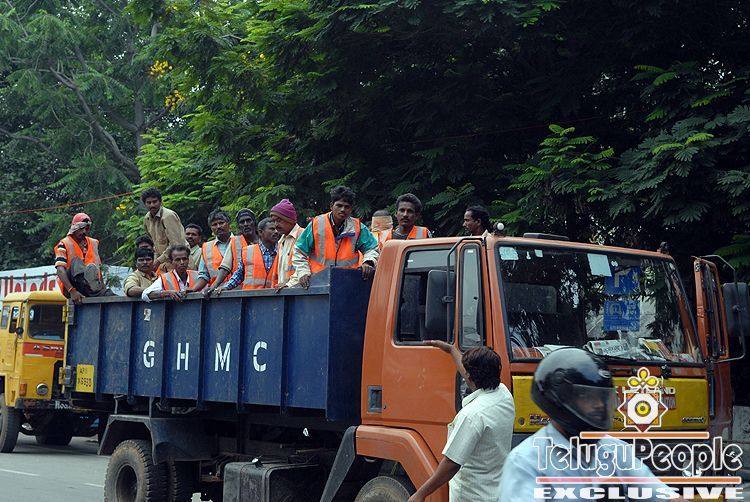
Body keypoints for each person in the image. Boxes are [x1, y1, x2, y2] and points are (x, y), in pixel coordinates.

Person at [497, 348, 686, 502]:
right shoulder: (526, 462)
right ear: (558, 400)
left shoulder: (617, 451)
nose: (599, 405)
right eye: (587, 397)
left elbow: (662, 495)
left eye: (602, 398)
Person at [408, 343, 515, 502]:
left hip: (472, 496)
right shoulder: (504, 395)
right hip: (497, 492)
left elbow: (452, 463)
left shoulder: (472, 415)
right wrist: (451, 350)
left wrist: (421, 494)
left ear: (469, 377)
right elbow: (469, 373)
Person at [287, 186, 379, 289]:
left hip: (347, 284)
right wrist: (303, 272)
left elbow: (372, 248)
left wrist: (368, 262)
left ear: (351, 209)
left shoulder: (358, 228)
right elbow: (299, 251)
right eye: (339, 205)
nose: (342, 210)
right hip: (317, 284)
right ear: (331, 206)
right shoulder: (316, 225)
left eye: (347, 207)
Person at [206, 217, 281, 295]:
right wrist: (226, 287)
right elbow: (239, 274)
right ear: (261, 232)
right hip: (251, 297)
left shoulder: (282, 251)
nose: (276, 232)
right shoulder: (248, 251)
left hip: (276, 297)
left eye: (277, 229)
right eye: (272, 229)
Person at [54, 212, 112, 303]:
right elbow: (60, 270)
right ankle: (87, 283)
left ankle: (92, 286)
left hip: (90, 286)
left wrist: (102, 290)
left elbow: (98, 270)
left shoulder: (93, 243)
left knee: (109, 294)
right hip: (72, 285)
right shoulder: (64, 243)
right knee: (76, 261)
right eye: (81, 228)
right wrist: (72, 291)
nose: (84, 231)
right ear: (74, 227)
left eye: (86, 228)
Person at [142, 187, 188, 273]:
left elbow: (176, 244)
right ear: (145, 204)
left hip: (179, 261)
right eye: (149, 202)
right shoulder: (146, 218)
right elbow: (155, 244)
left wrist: (158, 261)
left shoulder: (168, 216)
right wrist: (155, 261)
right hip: (163, 264)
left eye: (155, 202)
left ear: (160, 202)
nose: (152, 205)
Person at [192, 209, 235, 290]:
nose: (218, 227)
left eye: (221, 223)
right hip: (216, 293)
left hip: (241, 291)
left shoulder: (240, 242)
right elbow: (204, 275)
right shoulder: (207, 247)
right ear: (211, 228)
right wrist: (194, 289)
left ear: (228, 223)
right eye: (214, 225)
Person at [215, 208, 258, 282]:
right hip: (242, 287)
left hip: (268, 287)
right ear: (238, 226)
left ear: (254, 222)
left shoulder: (265, 239)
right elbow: (225, 267)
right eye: (242, 222)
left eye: (248, 220)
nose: (245, 224)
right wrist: (214, 285)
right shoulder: (235, 242)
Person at [270, 199, 304, 287]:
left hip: (299, 291)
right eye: (274, 221)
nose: (276, 225)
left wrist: (288, 285)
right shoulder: (281, 241)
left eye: (279, 220)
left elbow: (305, 267)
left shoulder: (303, 236)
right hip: (285, 292)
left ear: (290, 220)